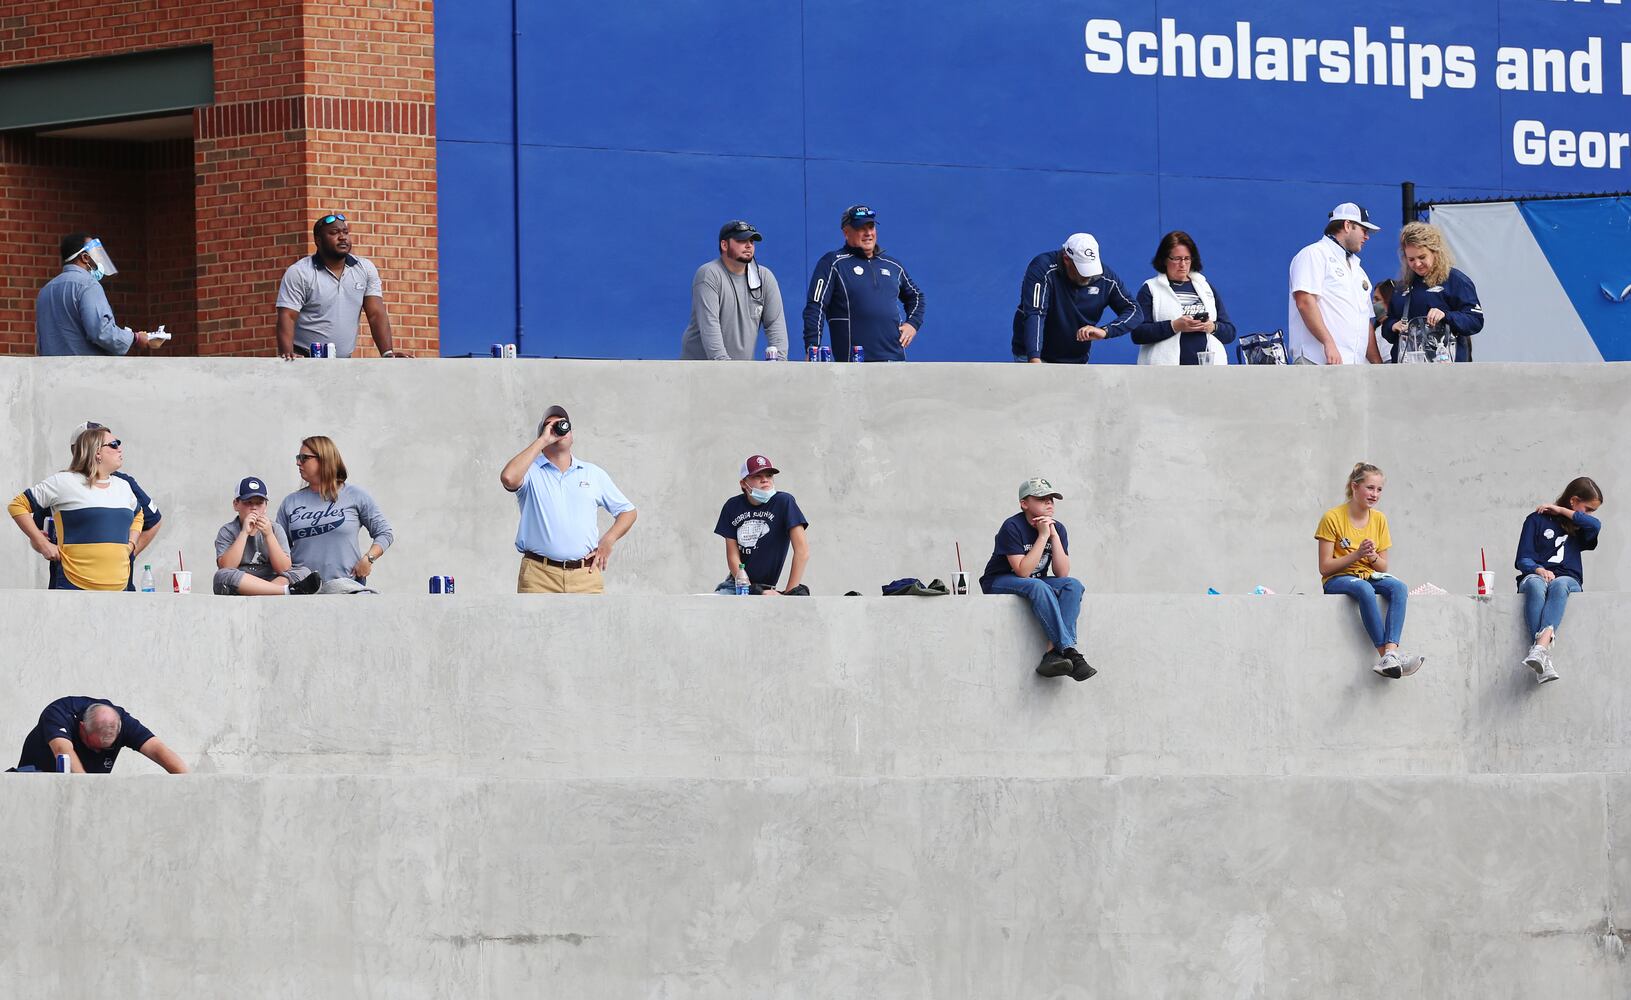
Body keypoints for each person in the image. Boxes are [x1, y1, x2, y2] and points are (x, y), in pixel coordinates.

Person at [499, 405, 638, 594]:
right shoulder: (529, 472)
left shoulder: (592, 473)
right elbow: (508, 478)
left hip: (585, 575)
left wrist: (608, 540)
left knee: (594, 624)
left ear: (571, 434)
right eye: (550, 425)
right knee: (535, 625)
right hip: (539, 576)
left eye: (562, 424)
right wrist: (543, 440)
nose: (557, 428)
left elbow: (628, 511)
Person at [23, 421, 162, 591]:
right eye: (111, 444)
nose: (117, 448)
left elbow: (152, 521)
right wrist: (42, 544)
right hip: (72, 584)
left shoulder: (123, 484)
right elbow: (37, 532)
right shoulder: (63, 485)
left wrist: (126, 551)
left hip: (118, 586)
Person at [1316, 462, 1425, 678]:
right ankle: (1385, 655)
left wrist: (1371, 556)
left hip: (1369, 574)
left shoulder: (1379, 519)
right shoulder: (1333, 517)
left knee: (1398, 587)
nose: (1375, 494)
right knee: (1365, 589)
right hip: (1338, 578)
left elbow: (1383, 566)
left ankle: (1391, 654)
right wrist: (1356, 555)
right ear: (1354, 487)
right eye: (1370, 488)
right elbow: (1324, 568)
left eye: (1379, 489)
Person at [979, 478, 1093, 681]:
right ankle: (1069, 650)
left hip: (1035, 582)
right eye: (1042, 499)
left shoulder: (1058, 529)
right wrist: (1042, 537)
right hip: (999, 580)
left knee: (1073, 586)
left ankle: (1052, 654)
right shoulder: (1012, 526)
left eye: (1051, 499)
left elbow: (1062, 573)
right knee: (1038, 585)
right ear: (1024, 503)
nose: (1049, 503)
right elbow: (1022, 571)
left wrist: (1054, 536)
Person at [803, 205, 925, 361]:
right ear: (846, 232)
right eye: (861, 228)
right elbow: (815, 306)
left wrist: (912, 324)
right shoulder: (833, 263)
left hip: (895, 362)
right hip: (853, 365)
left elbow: (916, 297)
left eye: (871, 226)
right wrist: (812, 348)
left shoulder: (893, 265)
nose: (868, 233)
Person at [274, 213, 404, 359]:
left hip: (343, 363)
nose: (342, 237)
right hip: (304, 359)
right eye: (334, 233)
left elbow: (376, 314)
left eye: (345, 232)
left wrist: (388, 354)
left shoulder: (365, 268)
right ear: (318, 240)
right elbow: (287, 316)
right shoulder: (300, 272)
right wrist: (288, 355)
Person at [1513, 476, 1603, 684]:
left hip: (1568, 581)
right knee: (1535, 583)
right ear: (1573, 500)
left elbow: (1596, 525)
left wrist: (1561, 510)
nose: (1589, 514)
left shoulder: (1580, 527)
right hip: (1535, 576)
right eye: (1587, 508)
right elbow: (1522, 558)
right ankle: (1542, 656)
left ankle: (1539, 648)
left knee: (1559, 583)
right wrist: (1538, 569)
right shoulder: (1535, 520)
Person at [275, 436, 394, 590]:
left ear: (324, 459)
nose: (298, 462)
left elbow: (385, 533)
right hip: (302, 591)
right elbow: (278, 550)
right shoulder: (290, 503)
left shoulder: (355, 495)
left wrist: (368, 559)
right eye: (298, 457)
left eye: (304, 458)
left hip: (346, 588)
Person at [1012, 233, 1141, 363]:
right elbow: (1035, 313)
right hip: (1032, 356)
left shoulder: (1106, 277)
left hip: (1076, 360)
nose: (1088, 276)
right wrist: (1034, 359)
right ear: (1066, 259)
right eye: (1082, 269)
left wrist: (1105, 331)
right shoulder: (1043, 267)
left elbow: (1134, 311)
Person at [679, 221, 790, 360]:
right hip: (699, 371)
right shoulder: (709, 274)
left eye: (751, 241)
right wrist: (727, 368)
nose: (749, 245)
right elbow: (710, 325)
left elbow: (775, 325)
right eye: (741, 240)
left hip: (737, 371)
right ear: (724, 245)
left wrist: (779, 363)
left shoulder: (764, 277)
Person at [1288, 203, 1383, 365]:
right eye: (1364, 230)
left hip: (1353, 366)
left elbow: (1364, 321)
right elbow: (1304, 302)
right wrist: (1329, 343)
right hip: (1317, 360)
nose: (1367, 237)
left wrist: (1377, 364)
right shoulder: (1314, 253)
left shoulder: (1359, 271)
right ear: (1347, 225)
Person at [36, 234, 160, 356]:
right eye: (95, 254)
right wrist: (135, 338)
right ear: (85, 257)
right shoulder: (88, 285)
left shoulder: (45, 290)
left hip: (51, 372)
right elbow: (101, 331)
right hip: (86, 371)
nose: (99, 260)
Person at [1381, 221, 1484, 363]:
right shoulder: (1402, 286)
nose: (1417, 264)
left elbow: (1475, 321)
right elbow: (1387, 325)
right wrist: (1393, 326)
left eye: (1422, 257)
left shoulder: (1456, 281)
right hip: (1407, 370)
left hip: (1445, 368)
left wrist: (1446, 316)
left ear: (1435, 252)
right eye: (1411, 259)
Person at [1132, 231, 1236, 365]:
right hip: (1166, 373)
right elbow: (1137, 333)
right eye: (1176, 259)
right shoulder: (1151, 289)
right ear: (1164, 259)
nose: (1183, 264)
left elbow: (1230, 332)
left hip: (1208, 372)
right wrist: (1174, 326)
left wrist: (1212, 327)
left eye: (1187, 258)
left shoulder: (1205, 288)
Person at [711, 454, 810, 594]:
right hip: (737, 586)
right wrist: (750, 589)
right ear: (743, 484)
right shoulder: (732, 506)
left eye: (769, 475)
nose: (765, 480)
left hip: (767, 588)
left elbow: (802, 551)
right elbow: (733, 555)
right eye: (757, 476)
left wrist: (789, 593)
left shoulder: (784, 502)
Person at [11, 697, 187, 774]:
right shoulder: (60, 713)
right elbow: (62, 750)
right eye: (93, 745)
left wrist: (192, 785)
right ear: (81, 727)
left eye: (106, 748)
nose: (98, 752)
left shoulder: (121, 721)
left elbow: (157, 749)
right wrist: (86, 790)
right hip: (35, 782)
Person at [215, 477, 321, 596]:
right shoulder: (227, 531)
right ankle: (285, 591)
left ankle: (263, 591)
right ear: (236, 505)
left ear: (265, 506)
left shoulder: (275, 529)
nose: (254, 507)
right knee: (222, 576)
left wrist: (269, 535)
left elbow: (284, 568)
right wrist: (244, 533)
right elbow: (226, 566)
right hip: (242, 582)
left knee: (303, 571)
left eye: (259, 503)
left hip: (272, 579)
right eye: (248, 502)